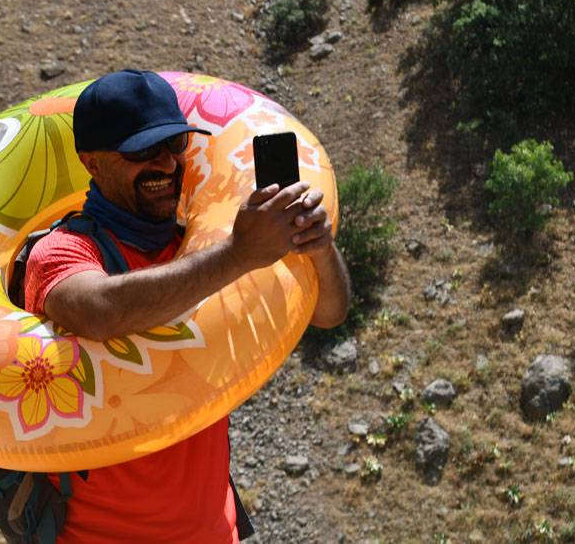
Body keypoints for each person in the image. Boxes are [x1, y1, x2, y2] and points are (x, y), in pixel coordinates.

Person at [23, 69, 351, 543]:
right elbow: (97, 311)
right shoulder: (64, 251)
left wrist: (318, 246)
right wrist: (239, 254)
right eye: (142, 152)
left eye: (175, 146)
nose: (167, 165)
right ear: (92, 163)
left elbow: (329, 313)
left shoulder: (200, 245)